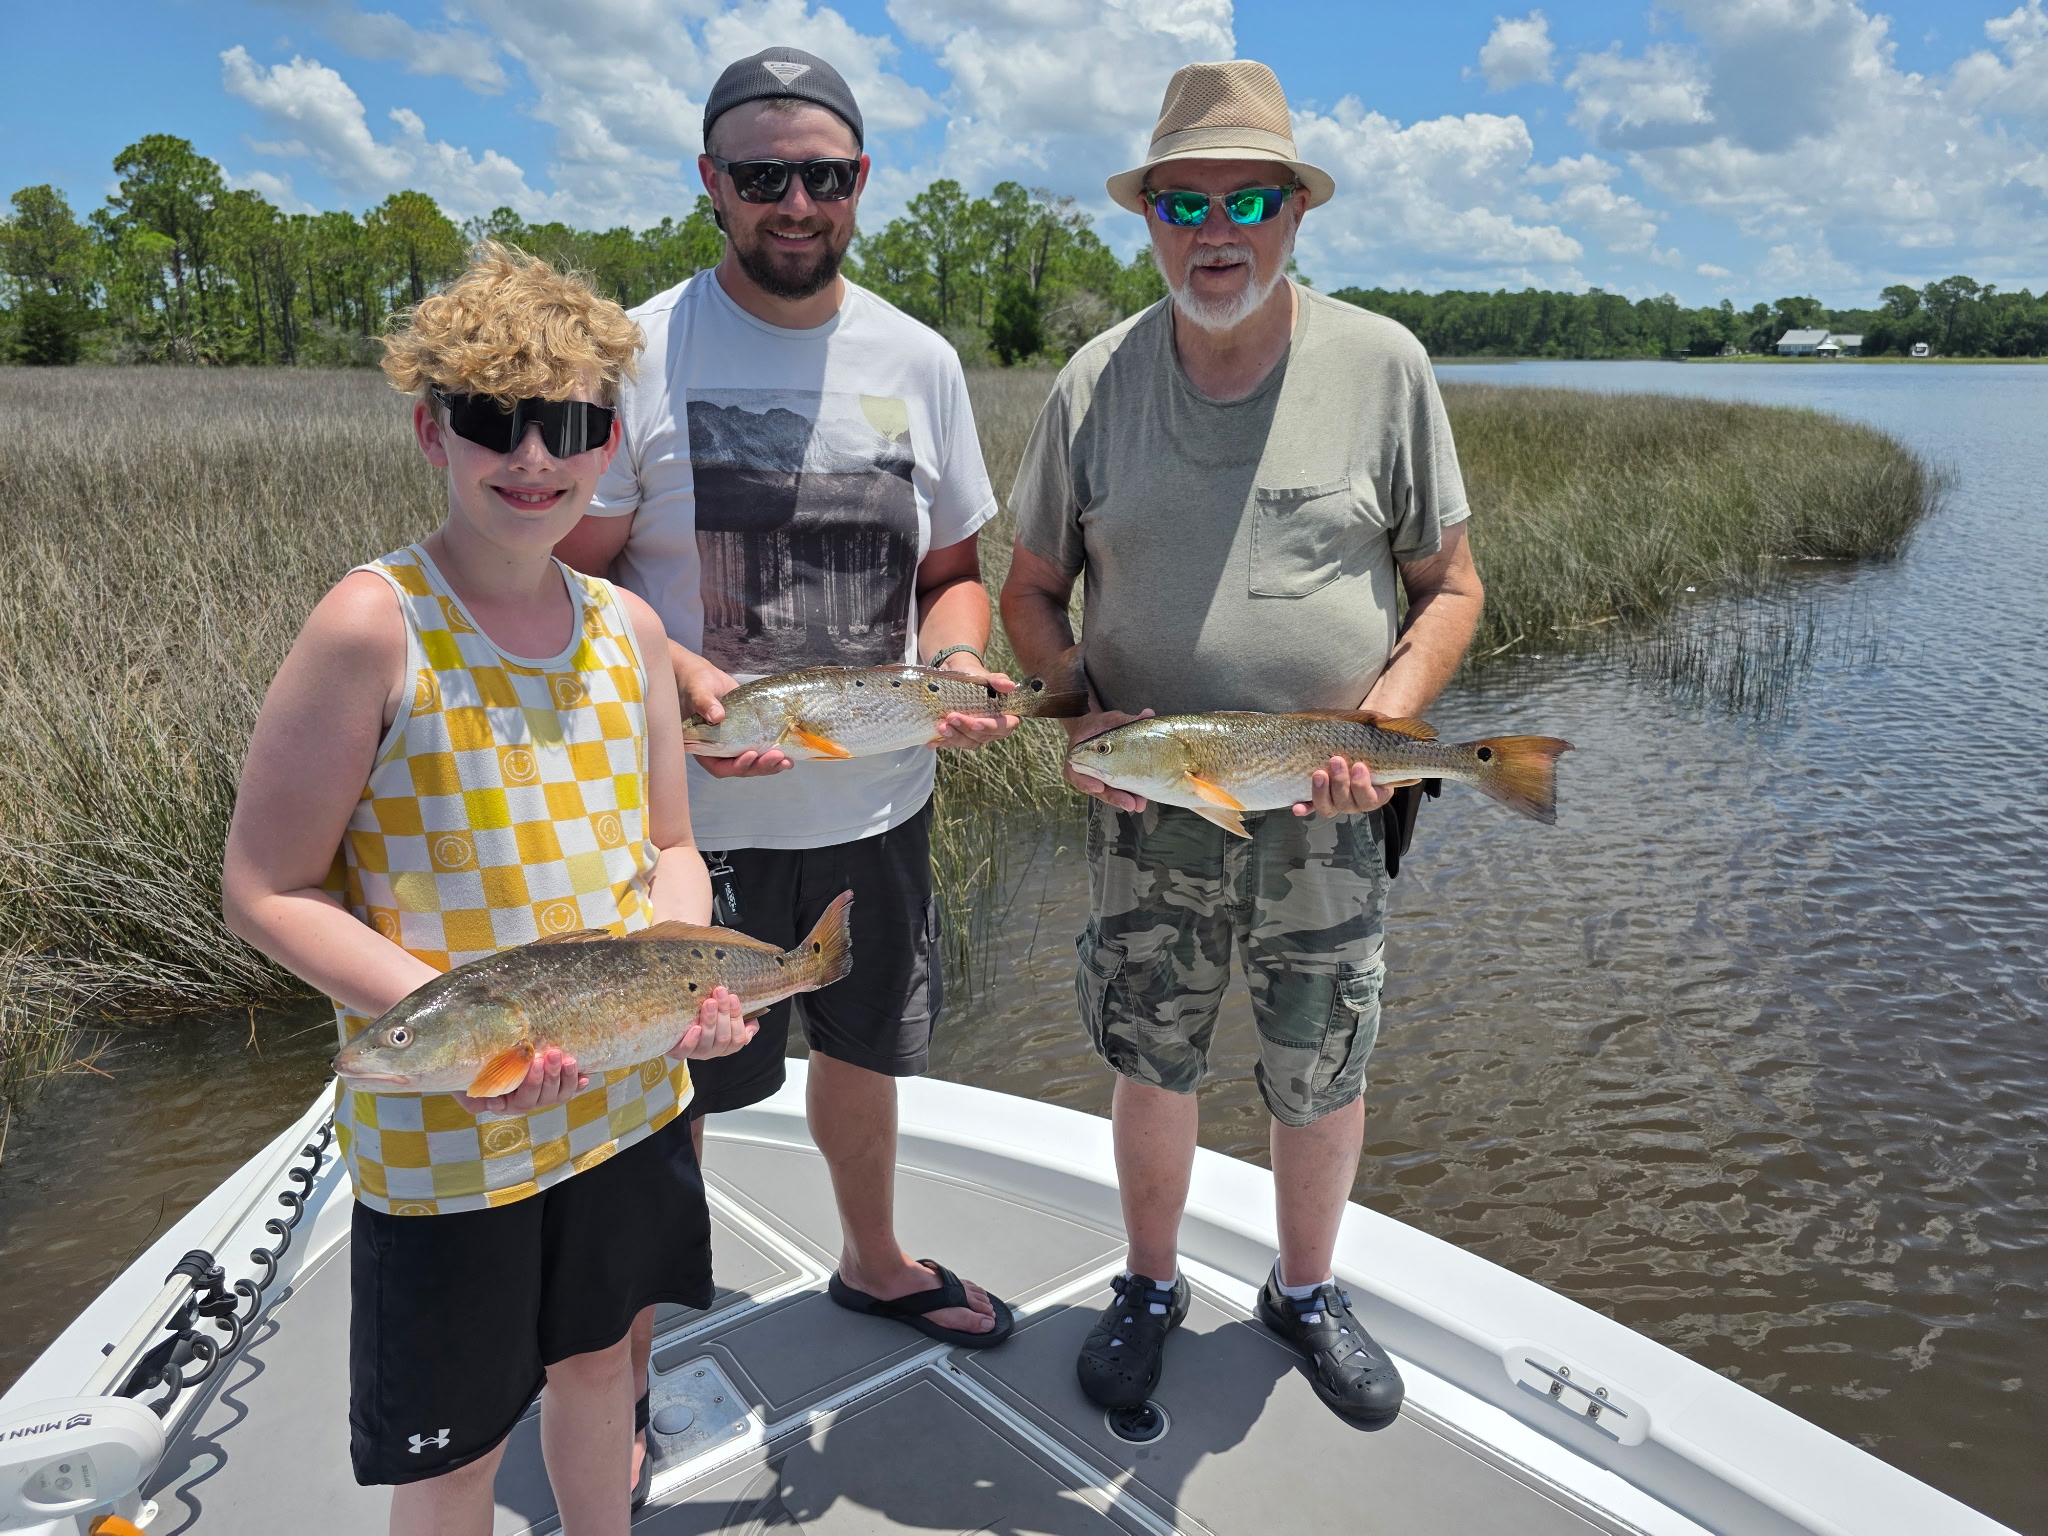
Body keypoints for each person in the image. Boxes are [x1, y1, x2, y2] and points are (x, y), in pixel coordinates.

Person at [221, 243, 754, 1536]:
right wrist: (465, 1029)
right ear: (430, 427)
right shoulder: (373, 624)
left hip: (620, 1103)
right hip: (443, 1139)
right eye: (492, 420)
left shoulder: (628, 632)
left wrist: (685, 983)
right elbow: (265, 888)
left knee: (594, 1377)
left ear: (608, 437)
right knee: (452, 1454)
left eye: (567, 423)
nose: (532, 458)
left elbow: (673, 850)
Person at [1000, 60, 1485, 1426]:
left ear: (1295, 215)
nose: (1217, 229)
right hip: (1146, 808)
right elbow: (1032, 591)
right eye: (1184, 201)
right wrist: (1074, 694)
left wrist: (1386, 723)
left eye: (1251, 197)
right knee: (1148, 1054)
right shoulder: (1094, 384)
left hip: (1330, 809)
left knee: (1321, 1057)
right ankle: (1149, 1285)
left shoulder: (1384, 364)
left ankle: (1306, 1289)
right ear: (1148, 218)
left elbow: (1452, 589)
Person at [553, 47, 1019, 1355]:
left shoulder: (920, 360)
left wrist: (963, 663)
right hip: (689, 823)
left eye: (822, 174)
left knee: (869, 1045)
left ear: (861, 182)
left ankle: (872, 1260)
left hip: (878, 796)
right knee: (673, 1079)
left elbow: (956, 574)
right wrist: (685, 676)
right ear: (713, 181)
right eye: (763, 175)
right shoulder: (641, 354)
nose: (795, 201)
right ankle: (631, 1349)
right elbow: (571, 591)